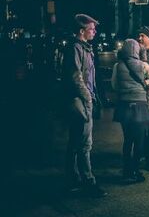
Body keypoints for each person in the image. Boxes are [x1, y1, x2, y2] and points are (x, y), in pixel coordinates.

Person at [62, 14, 107, 197]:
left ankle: (73, 179)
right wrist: (88, 98)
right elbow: (76, 76)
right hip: (80, 101)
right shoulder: (76, 48)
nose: (94, 32)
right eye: (91, 29)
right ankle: (88, 182)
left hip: (83, 100)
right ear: (82, 31)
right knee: (84, 143)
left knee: (75, 142)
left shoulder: (85, 48)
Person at [111, 39, 149, 183]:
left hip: (123, 106)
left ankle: (127, 171)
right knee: (139, 140)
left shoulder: (117, 65)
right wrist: (146, 83)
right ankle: (135, 170)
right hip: (139, 106)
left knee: (127, 140)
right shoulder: (143, 65)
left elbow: (114, 86)